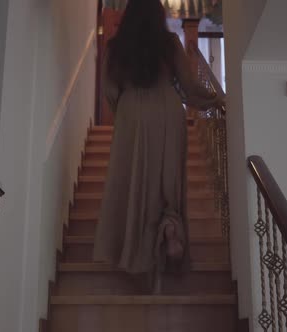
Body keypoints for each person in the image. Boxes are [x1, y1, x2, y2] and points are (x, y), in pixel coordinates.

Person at [93, 0, 224, 294]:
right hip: (167, 110)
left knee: (134, 183)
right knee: (166, 182)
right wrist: (215, 99)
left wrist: (126, 109)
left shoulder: (116, 47)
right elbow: (189, 86)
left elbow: (110, 90)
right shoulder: (169, 43)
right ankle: (169, 228)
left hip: (131, 114)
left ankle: (135, 253)